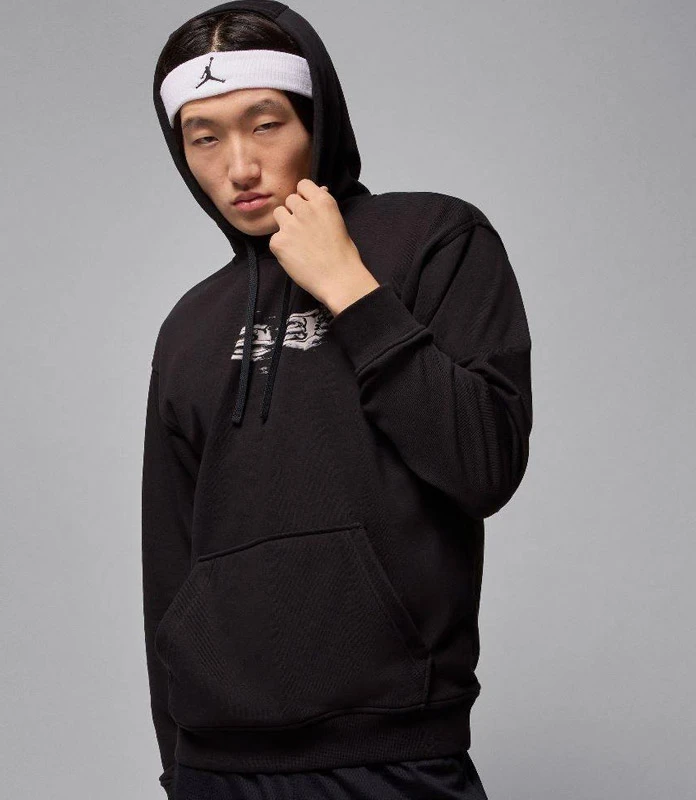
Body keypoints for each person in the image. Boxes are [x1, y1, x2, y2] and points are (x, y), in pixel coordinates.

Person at [141, 1, 533, 798]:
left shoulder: (436, 240)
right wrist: (176, 768)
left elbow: (484, 464)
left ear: (317, 121)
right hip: (217, 765)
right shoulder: (188, 325)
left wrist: (349, 286)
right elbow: (170, 562)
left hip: (394, 751)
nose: (239, 167)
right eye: (204, 138)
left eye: (266, 125)